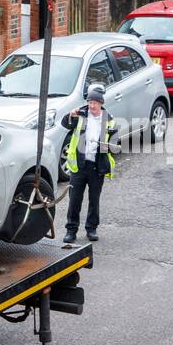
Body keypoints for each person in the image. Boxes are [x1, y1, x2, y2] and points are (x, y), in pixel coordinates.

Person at [60, 85, 117, 244]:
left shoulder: (109, 119)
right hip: (79, 166)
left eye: (95, 103)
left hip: (97, 166)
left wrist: (104, 146)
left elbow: (113, 143)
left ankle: (91, 229)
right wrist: (70, 115)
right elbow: (65, 124)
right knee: (74, 200)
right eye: (90, 102)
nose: (92, 106)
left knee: (94, 200)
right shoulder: (81, 114)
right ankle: (71, 230)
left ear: (101, 103)